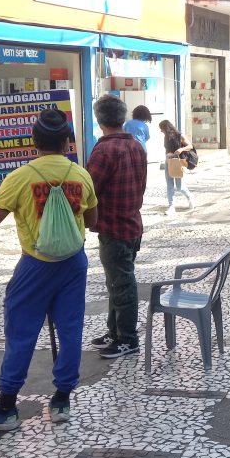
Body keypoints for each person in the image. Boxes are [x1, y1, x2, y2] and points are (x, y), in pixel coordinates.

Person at [0, 107, 97, 431]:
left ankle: (7, 407)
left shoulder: (20, 178)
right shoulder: (81, 175)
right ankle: (62, 400)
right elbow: (92, 223)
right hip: (74, 264)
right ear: (68, 141)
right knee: (71, 330)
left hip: (35, 266)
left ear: (34, 141)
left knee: (21, 333)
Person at [87, 95, 147, 360]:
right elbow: (142, 186)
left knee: (122, 284)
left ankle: (128, 339)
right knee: (116, 283)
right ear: (122, 118)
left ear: (99, 120)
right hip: (133, 224)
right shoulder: (136, 146)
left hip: (114, 228)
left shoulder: (103, 151)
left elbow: (89, 190)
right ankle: (114, 332)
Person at [159, 120, 195, 215]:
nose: (161, 131)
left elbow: (190, 146)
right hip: (168, 160)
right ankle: (171, 206)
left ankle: (190, 197)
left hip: (177, 161)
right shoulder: (166, 136)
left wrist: (181, 149)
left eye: (162, 129)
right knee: (169, 184)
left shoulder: (179, 135)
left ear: (166, 128)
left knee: (180, 186)